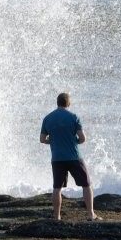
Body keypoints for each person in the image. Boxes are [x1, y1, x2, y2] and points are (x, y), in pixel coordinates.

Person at [40, 92, 100, 221]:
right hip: (74, 157)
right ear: (68, 103)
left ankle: (57, 216)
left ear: (57, 102)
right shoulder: (74, 117)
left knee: (57, 188)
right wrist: (74, 141)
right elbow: (82, 138)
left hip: (57, 158)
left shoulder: (48, 118)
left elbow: (42, 139)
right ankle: (91, 214)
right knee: (86, 185)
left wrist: (54, 140)